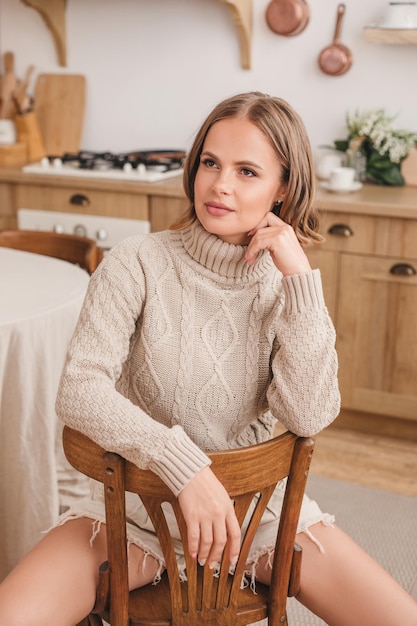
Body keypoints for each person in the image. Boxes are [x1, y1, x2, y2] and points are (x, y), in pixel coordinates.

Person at [0, 91, 416, 626]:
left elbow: (308, 415)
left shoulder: (286, 288)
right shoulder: (137, 263)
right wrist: (185, 468)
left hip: (257, 522)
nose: (220, 184)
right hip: (132, 519)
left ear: (282, 189)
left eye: (247, 171)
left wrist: (299, 280)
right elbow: (80, 389)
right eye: (210, 163)